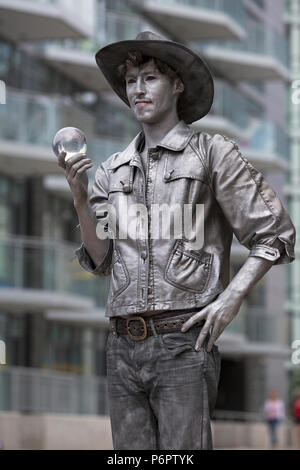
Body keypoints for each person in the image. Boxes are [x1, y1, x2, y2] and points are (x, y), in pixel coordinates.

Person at [57, 31, 296, 450]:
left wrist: (231, 297)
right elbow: (103, 260)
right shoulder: (110, 171)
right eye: (131, 81)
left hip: (184, 342)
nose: (138, 90)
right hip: (120, 346)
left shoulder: (211, 153)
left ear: (177, 85)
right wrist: (79, 197)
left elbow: (274, 233)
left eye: (150, 78)